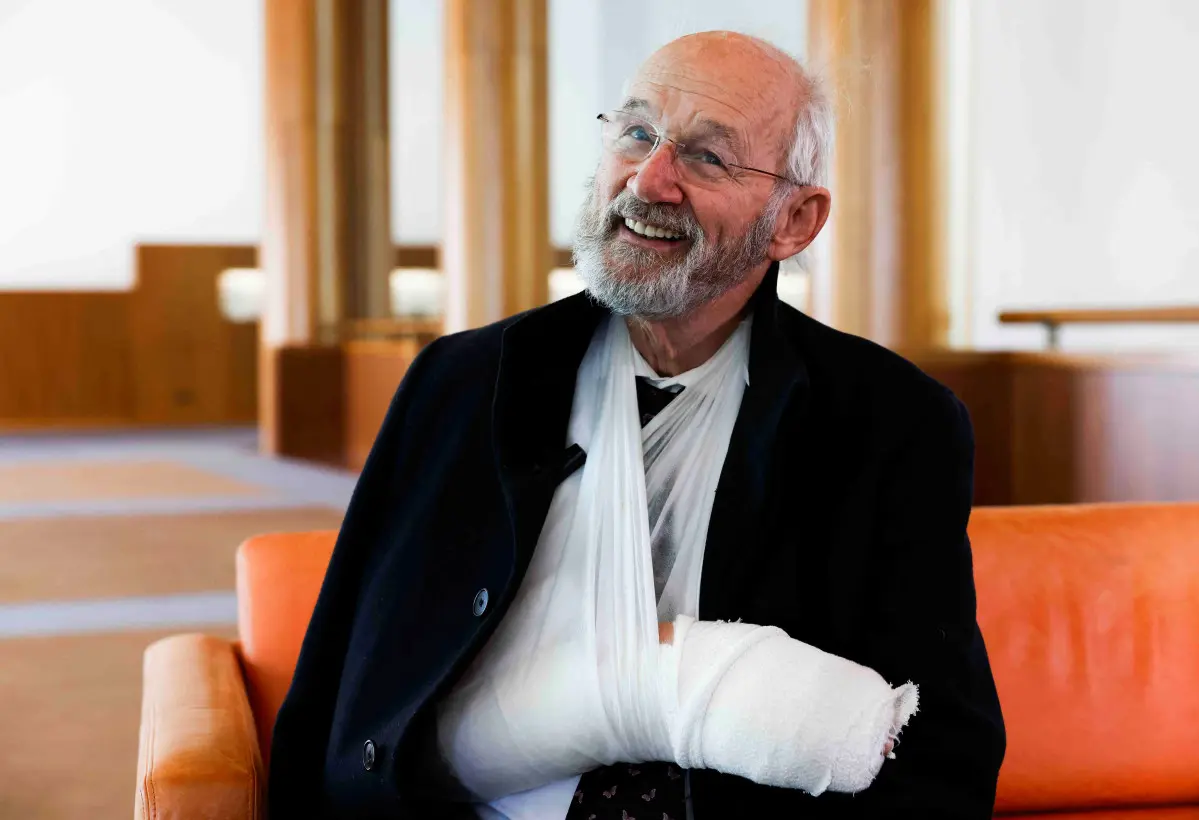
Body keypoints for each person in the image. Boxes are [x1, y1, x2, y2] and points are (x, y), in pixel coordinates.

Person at [269, 30, 1006, 820]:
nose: (650, 181)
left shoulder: (889, 423)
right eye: (637, 133)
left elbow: (939, 747)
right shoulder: (462, 385)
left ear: (794, 220)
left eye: (707, 157)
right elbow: (346, 681)